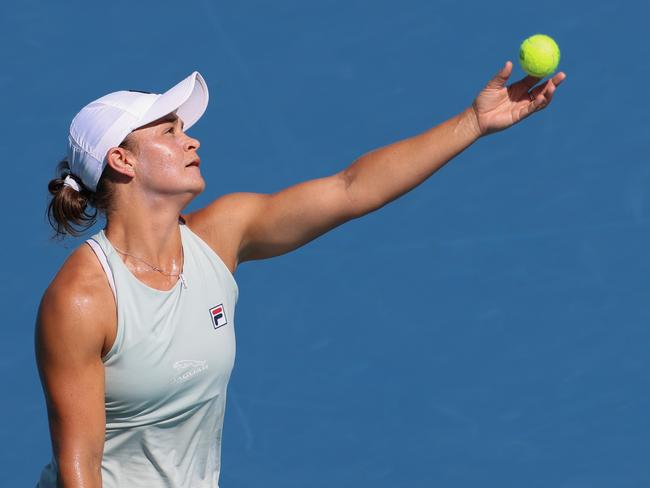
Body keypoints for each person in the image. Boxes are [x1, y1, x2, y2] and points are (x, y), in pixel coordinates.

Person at [35, 62, 566, 487]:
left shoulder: (220, 235)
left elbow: (350, 189)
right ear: (122, 161)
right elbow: (79, 466)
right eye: (170, 132)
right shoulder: (83, 299)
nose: (191, 141)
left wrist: (472, 122)